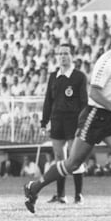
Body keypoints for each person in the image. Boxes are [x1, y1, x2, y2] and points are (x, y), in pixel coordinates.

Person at [24, 28, 111, 213]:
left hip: (110, 119)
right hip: (95, 116)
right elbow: (94, 92)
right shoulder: (106, 62)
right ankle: (33, 187)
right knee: (72, 163)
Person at [40, 43, 88, 204]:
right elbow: (48, 101)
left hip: (74, 123)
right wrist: (44, 122)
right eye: (60, 53)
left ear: (72, 56)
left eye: (66, 53)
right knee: (60, 158)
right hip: (56, 122)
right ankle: (61, 195)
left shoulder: (79, 77)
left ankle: (78, 195)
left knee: (75, 158)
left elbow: (84, 103)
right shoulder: (53, 76)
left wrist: (82, 124)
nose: (62, 56)